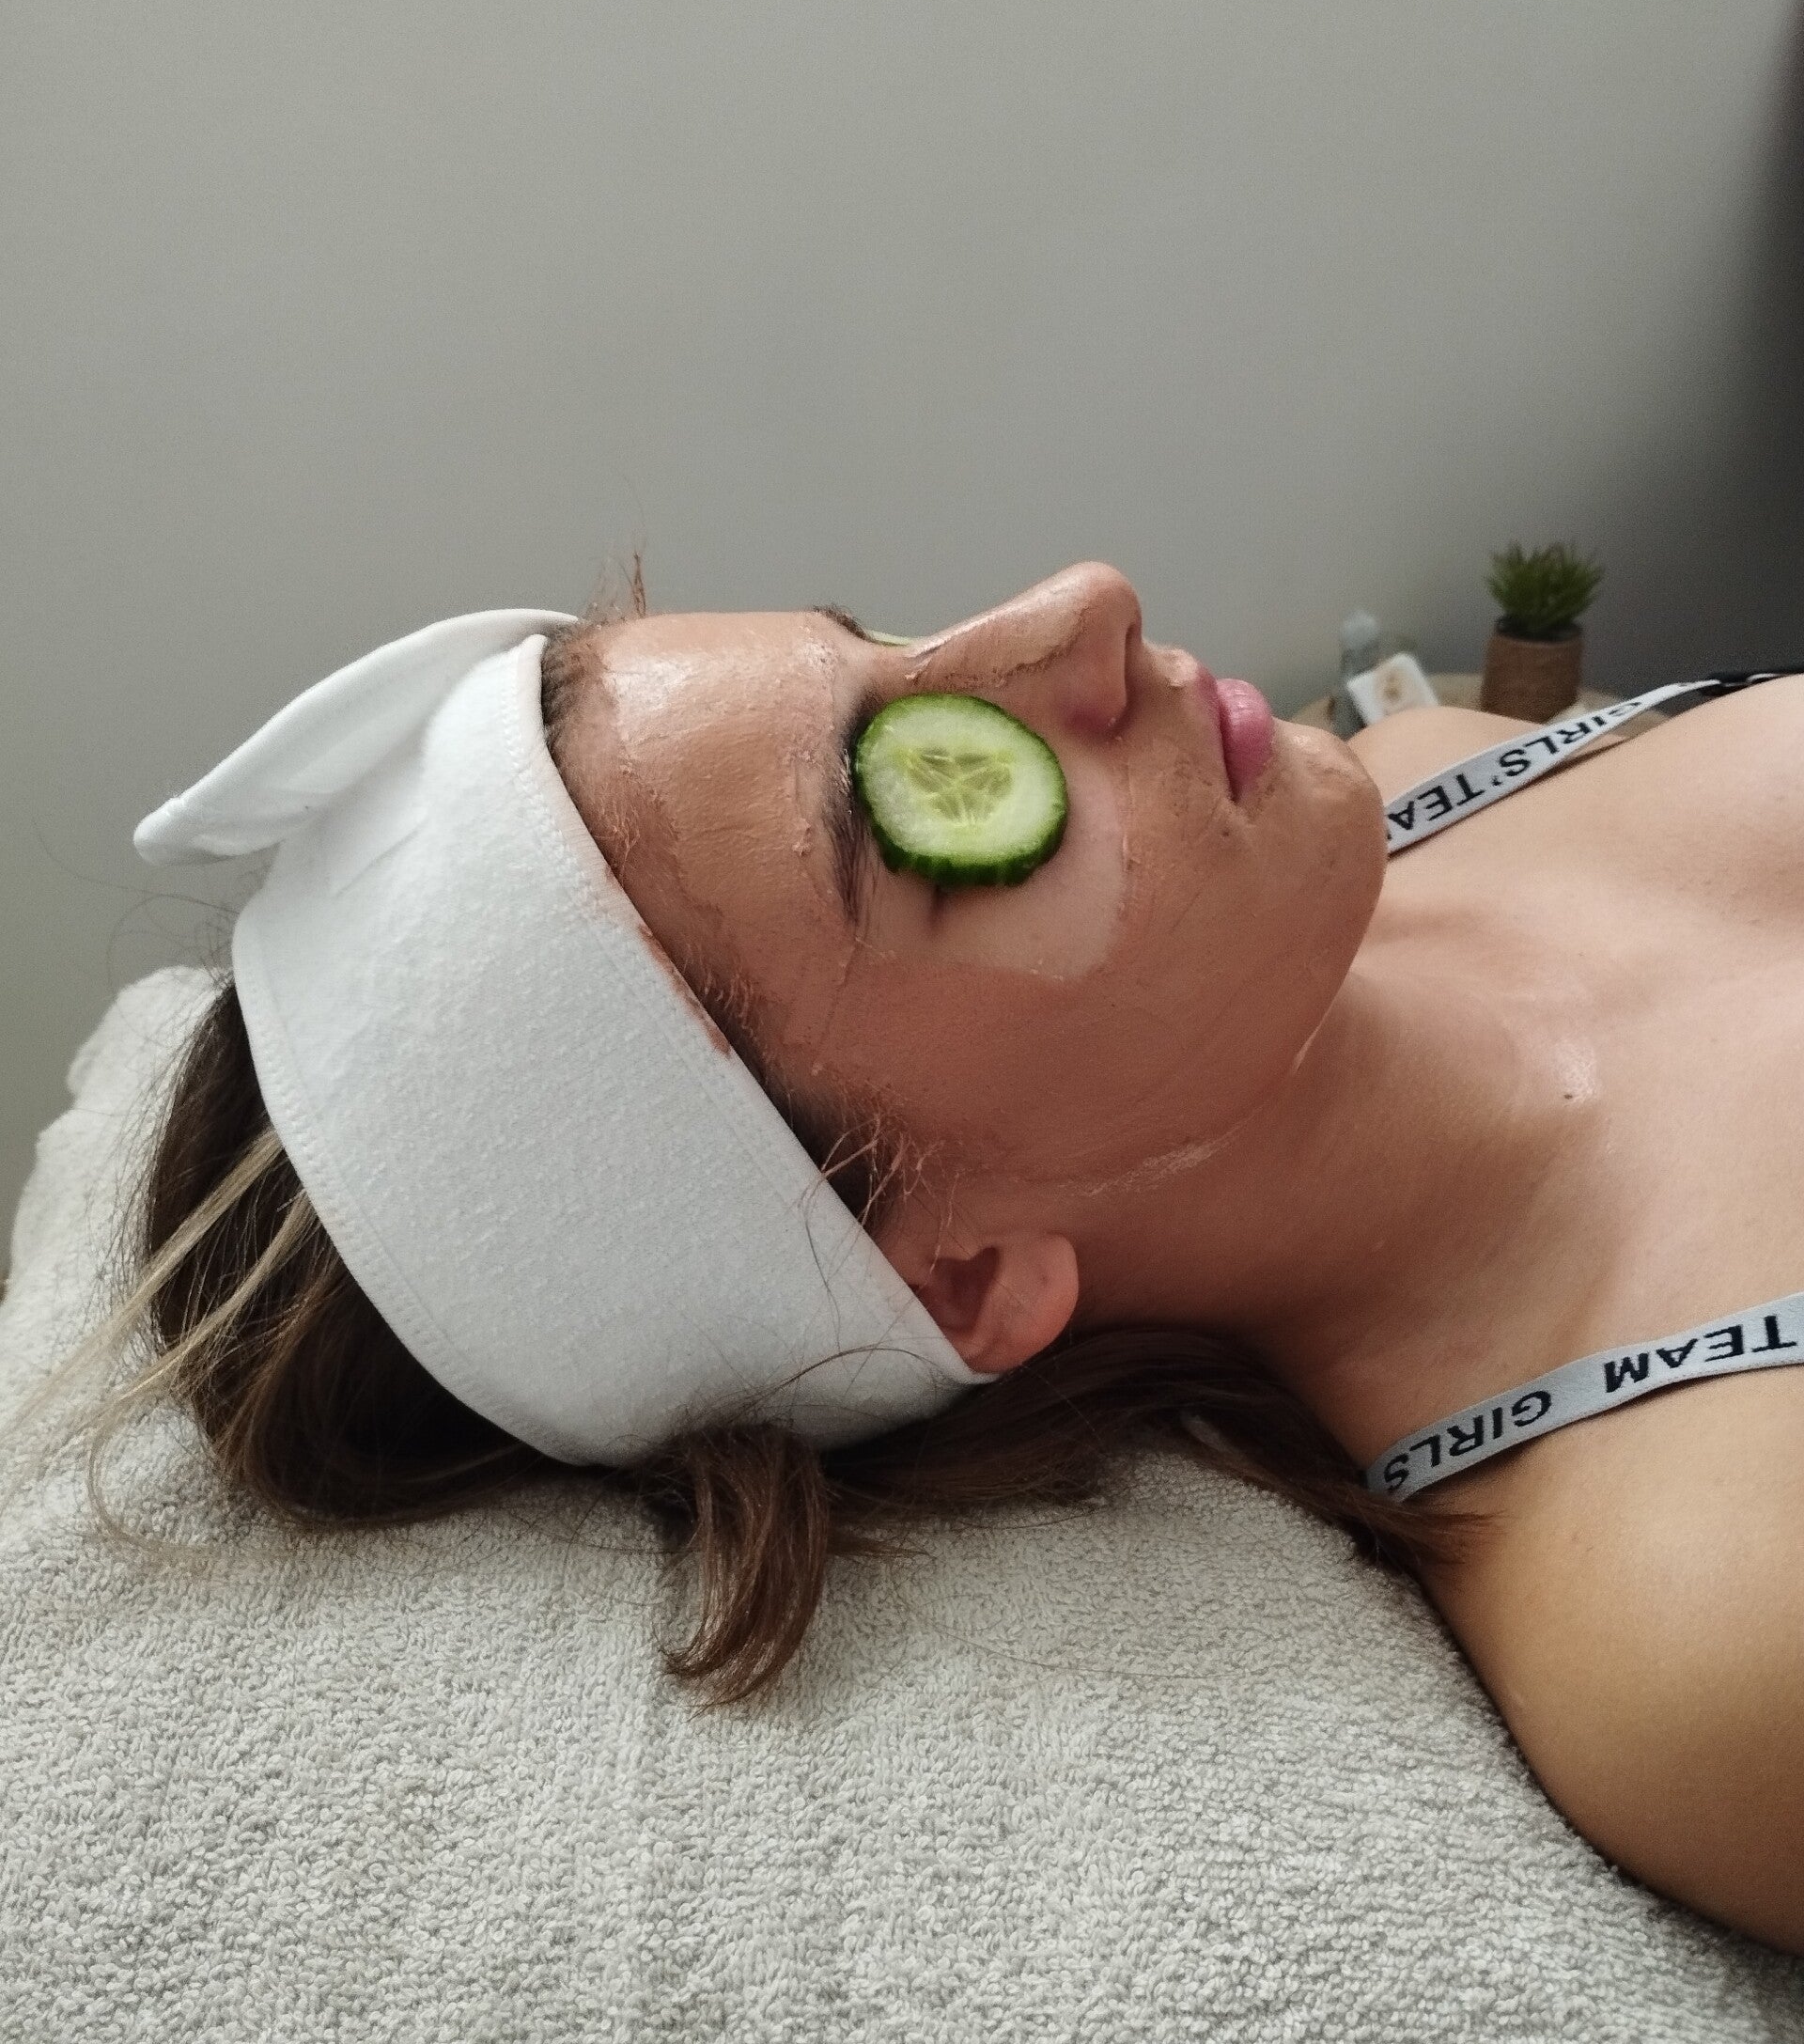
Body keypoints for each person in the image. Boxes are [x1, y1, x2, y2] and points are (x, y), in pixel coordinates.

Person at [23, 563, 1804, 1953]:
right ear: (956, 1277)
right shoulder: (1717, 1622)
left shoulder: (1421, 772)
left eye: (881, 637)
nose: (1086, 604)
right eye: (922, 802)